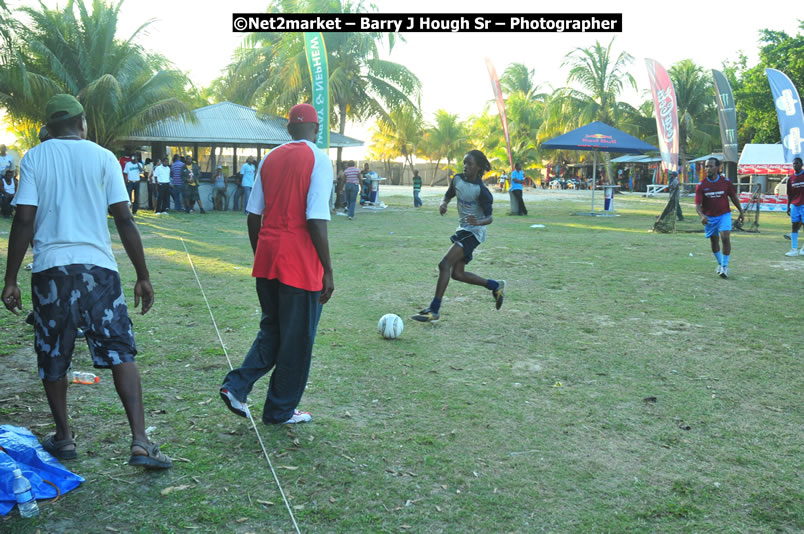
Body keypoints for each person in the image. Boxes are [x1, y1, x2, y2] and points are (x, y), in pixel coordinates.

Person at [1, 94, 171, 469]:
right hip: (99, 271)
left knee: (52, 353)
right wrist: (142, 276)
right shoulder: (103, 157)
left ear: (48, 128)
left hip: (51, 272)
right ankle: (140, 442)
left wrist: (11, 278)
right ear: (82, 123)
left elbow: (24, 220)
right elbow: (124, 218)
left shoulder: (34, 158)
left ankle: (64, 438)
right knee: (120, 351)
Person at [219, 103, 333, 425]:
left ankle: (237, 387)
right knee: (297, 341)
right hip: (300, 264)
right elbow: (316, 218)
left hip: (268, 259)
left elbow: (253, 215)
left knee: (273, 329)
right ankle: (280, 410)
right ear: (316, 129)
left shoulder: (270, 158)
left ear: (288, 129)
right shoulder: (319, 160)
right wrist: (328, 270)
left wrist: (262, 253)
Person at [412, 149, 505, 322]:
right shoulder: (457, 180)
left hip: (474, 233)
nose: (466, 166)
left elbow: (490, 218)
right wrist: (443, 203)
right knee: (458, 274)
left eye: (469, 164)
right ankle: (495, 286)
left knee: (444, 264)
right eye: (464, 163)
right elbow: (448, 195)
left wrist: (478, 222)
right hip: (463, 229)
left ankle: (434, 310)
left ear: (478, 167)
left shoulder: (481, 191)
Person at [695, 157, 744, 279]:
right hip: (710, 218)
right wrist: (702, 216)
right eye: (706, 166)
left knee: (725, 236)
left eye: (711, 166)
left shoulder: (725, 182)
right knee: (714, 241)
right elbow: (697, 205)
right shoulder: (701, 185)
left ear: (718, 168)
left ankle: (724, 267)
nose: (708, 169)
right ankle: (720, 263)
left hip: (724, 215)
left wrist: (741, 211)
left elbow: (733, 197)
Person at [784, 156, 804, 256]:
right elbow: (790, 194)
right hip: (795, 205)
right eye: (794, 164)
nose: (795, 165)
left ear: (801, 165)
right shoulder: (791, 178)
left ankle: (803, 249)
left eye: (797, 163)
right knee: (794, 226)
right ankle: (794, 249)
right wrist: (788, 206)